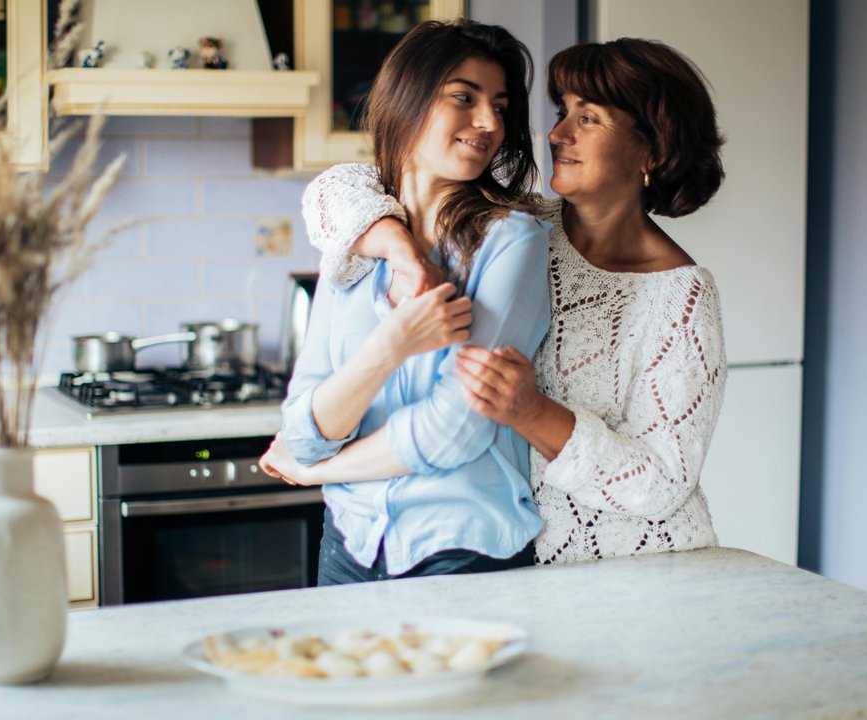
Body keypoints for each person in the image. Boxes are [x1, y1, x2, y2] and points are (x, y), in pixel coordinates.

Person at [291, 37, 728, 564]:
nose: (558, 133)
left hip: (633, 569)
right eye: (562, 111)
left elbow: (663, 484)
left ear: (652, 150)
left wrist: (532, 413)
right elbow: (338, 190)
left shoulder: (680, 296)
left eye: (588, 119)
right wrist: (399, 247)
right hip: (517, 561)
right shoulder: (521, 228)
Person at [259, 19, 552, 584]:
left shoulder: (511, 241)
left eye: (500, 104)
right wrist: (390, 346)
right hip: (351, 543)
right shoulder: (353, 237)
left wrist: (318, 472)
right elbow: (301, 426)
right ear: (408, 100)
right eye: (463, 98)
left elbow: (458, 429)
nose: (489, 122)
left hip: (460, 548)